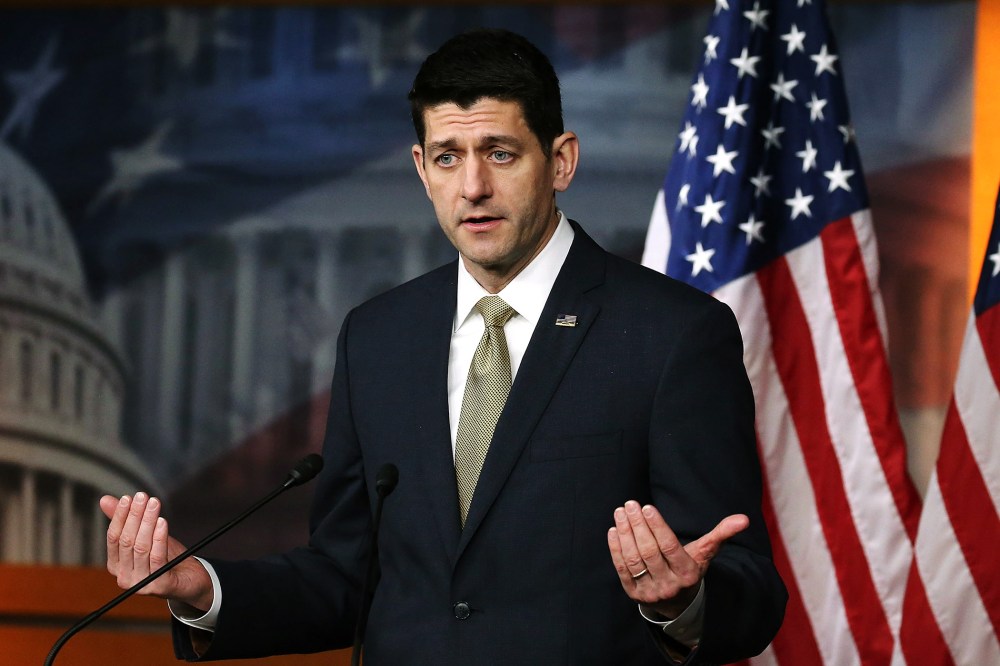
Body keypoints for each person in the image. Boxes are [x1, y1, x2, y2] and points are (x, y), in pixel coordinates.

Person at [101, 28, 786, 664]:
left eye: (500, 153)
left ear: (561, 161)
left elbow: (749, 586)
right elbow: (346, 576)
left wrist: (683, 600)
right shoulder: (376, 338)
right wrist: (201, 587)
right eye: (448, 157)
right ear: (421, 168)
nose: (473, 188)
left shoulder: (673, 333)